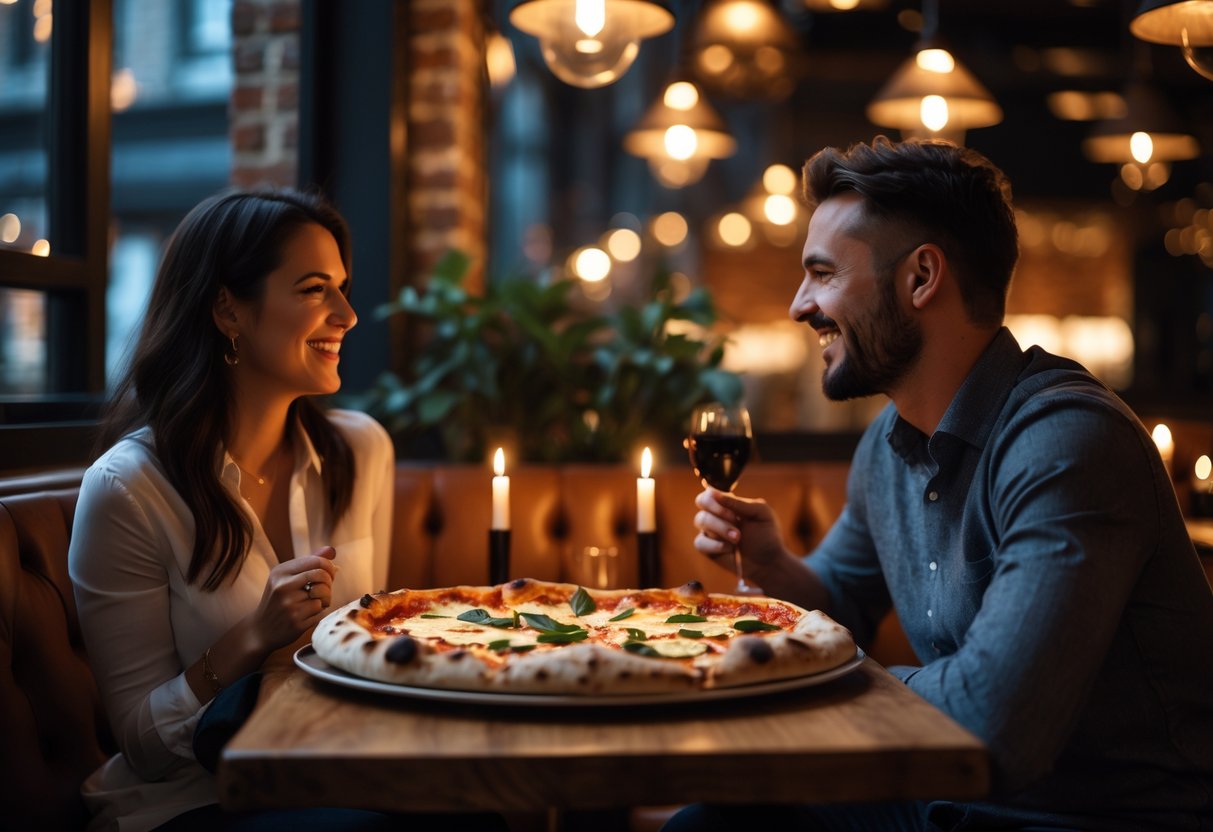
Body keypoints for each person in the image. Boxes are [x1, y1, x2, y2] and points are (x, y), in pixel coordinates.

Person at [667, 137, 1213, 831]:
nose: (797, 305)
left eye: (822, 274)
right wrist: (776, 566)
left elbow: (994, 720)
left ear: (921, 277)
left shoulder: (1068, 444)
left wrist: (807, 680)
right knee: (708, 825)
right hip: (946, 800)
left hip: (1093, 817)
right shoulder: (886, 446)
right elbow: (839, 603)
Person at [68, 189, 507, 832]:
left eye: (343, 288)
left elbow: (365, 649)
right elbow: (141, 743)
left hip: (333, 767)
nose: (348, 314)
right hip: (193, 800)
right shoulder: (128, 489)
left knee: (479, 810)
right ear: (227, 310)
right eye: (313, 290)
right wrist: (253, 636)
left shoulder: (362, 449)